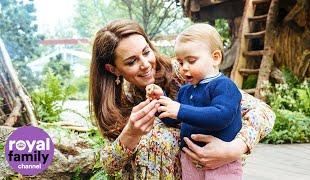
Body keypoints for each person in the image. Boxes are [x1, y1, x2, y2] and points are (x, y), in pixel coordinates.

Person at [89, 19, 275, 179]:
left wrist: (234, 149)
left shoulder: (184, 72)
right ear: (113, 69)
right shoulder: (115, 103)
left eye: (146, 52)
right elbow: (109, 165)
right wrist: (130, 134)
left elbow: (263, 112)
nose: (145, 65)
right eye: (131, 61)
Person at [147, 23, 243, 179]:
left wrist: (179, 109)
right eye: (180, 62)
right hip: (190, 160)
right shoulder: (186, 90)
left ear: (215, 58)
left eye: (191, 61)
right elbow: (176, 120)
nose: (184, 67)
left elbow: (221, 117)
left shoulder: (224, 86)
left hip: (221, 164)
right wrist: (160, 101)